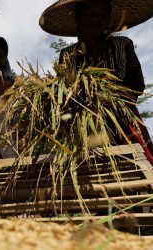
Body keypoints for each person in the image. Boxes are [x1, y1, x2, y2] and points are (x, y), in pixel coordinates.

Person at [39, 0, 153, 164]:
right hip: (84, 123)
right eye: (90, 15)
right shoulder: (67, 54)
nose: (96, 19)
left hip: (124, 121)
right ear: (79, 20)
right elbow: (63, 93)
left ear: (108, 19)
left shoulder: (123, 45)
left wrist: (116, 96)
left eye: (101, 15)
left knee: (138, 163)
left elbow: (137, 84)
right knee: (91, 169)